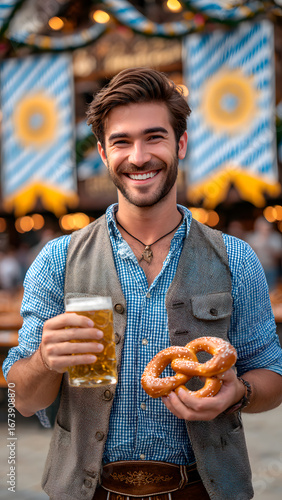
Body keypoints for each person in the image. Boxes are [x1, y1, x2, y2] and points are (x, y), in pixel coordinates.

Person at [3, 68, 282, 500]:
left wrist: (238, 393)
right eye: (121, 142)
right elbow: (19, 399)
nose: (138, 157)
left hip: (203, 490)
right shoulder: (58, 260)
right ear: (102, 152)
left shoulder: (236, 259)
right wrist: (43, 360)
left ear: (180, 144)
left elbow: (272, 377)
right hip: (88, 491)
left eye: (154, 137)